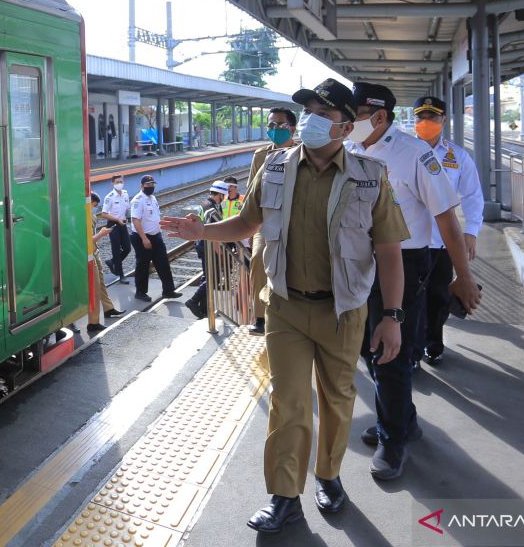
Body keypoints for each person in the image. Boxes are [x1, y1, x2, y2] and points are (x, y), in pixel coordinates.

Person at [161, 78, 409, 534]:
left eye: (322, 113)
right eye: (308, 110)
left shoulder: (370, 176)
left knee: (338, 399)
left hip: (344, 310)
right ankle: (284, 496)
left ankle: (330, 477)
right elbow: (246, 223)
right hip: (285, 308)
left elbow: (390, 251)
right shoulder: (274, 168)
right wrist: (202, 233)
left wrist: (391, 317)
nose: (311, 120)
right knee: (288, 401)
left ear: (344, 126)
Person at [347, 82, 483, 480]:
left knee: (389, 351)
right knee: (363, 346)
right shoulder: (353, 150)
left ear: (379, 116)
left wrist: (464, 276)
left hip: (405, 261)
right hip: (361, 261)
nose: (346, 122)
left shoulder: (415, 155)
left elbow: (448, 221)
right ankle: (402, 417)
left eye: (353, 114)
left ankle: (394, 438)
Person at [411, 96, 483, 366]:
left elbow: (473, 196)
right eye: (420, 117)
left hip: (443, 243)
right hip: (408, 241)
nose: (425, 123)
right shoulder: (404, 151)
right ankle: (413, 351)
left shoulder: (457, 156)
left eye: (432, 117)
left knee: (438, 296)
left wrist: (472, 231)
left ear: (444, 120)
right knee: (410, 298)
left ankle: (434, 344)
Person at [245, 108, 298, 333]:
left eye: (279, 125)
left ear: (292, 128)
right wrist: (248, 229)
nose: (274, 130)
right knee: (258, 259)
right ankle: (260, 317)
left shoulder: (303, 153)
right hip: (265, 222)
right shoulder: (261, 155)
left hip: (295, 223)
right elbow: (251, 193)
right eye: (270, 126)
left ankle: (291, 316)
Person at [129, 175, 181, 304]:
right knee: (143, 265)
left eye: (152, 184)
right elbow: (135, 220)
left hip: (156, 236)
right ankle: (140, 292)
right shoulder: (138, 200)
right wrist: (144, 238)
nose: (150, 187)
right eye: (148, 185)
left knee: (163, 263)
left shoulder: (152, 198)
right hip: (143, 237)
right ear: (141, 186)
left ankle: (168, 290)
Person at [186, 180, 229, 319]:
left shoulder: (205, 203)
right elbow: (213, 234)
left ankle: (204, 309)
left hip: (202, 244)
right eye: (224, 195)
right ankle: (193, 301)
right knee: (213, 278)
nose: (225, 198)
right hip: (208, 246)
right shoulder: (211, 209)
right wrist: (220, 251)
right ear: (220, 194)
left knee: (207, 276)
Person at [86, 192, 125, 335]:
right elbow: (87, 241)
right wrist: (102, 234)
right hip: (88, 254)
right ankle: (93, 322)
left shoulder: (91, 215)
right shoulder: (84, 215)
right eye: (94, 206)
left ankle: (108, 308)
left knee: (100, 283)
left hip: (94, 253)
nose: (94, 208)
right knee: (95, 287)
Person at [100, 174, 133, 283]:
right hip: (113, 225)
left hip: (122, 223)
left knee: (127, 248)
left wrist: (129, 218)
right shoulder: (109, 197)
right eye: (117, 182)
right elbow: (103, 214)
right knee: (116, 250)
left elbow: (127, 208)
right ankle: (121, 275)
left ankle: (112, 262)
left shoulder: (125, 194)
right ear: (112, 184)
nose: (119, 184)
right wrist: (117, 220)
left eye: (121, 182)